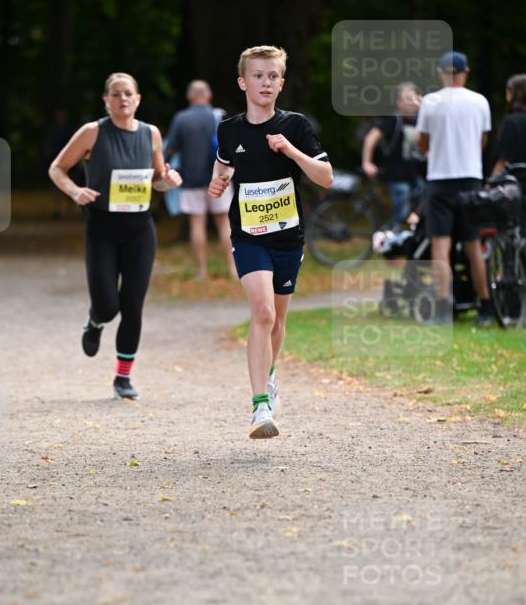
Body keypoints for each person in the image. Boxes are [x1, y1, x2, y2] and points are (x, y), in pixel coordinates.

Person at [208, 45, 333, 439]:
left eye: (273, 76)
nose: (266, 82)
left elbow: (326, 176)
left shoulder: (296, 126)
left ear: (281, 82)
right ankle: (260, 405)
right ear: (243, 82)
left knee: (278, 320)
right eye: (258, 75)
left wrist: (290, 150)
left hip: (288, 238)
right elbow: (225, 162)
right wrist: (218, 180)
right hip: (248, 236)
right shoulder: (229, 129)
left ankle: (271, 372)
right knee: (261, 313)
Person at [48, 72, 181, 399]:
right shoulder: (92, 132)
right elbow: (57, 168)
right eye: (116, 94)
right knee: (108, 306)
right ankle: (95, 322)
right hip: (102, 227)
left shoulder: (151, 134)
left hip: (139, 229)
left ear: (138, 99)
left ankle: (123, 378)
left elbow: (158, 179)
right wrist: (75, 191)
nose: (123, 99)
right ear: (106, 100)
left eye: (129, 94)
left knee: (133, 304)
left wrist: (170, 181)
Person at [415, 51, 494, 327]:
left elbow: (423, 142)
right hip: (470, 177)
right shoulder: (480, 102)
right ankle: (485, 306)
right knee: (473, 244)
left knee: (440, 244)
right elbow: (482, 140)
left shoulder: (430, 102)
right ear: (465, 72)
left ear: (441, 73)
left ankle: (442, 308)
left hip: (440, 179)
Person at [165, 80, 235, 279]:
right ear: (208, 95)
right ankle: (233, 270)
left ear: (189, 97)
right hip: (219, 178)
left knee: (197, 225)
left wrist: (165, 167)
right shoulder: (219, 116)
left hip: (191, 179)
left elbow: (170, 148)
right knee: (225, 225)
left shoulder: (181, 119)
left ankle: (202, 271)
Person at [361, 83, 426, 230]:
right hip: (397, 176)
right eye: (407, 98)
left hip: (414, 175)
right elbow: (370, 138)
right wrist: (367, 162)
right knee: (400, 213)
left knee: (425, 201)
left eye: (413, 98)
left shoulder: (419, 122)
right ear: (398, 103)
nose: (411, 102)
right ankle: (392, 238)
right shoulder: (394, 120)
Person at [491, 73, 526, 175]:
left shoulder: (511, 122)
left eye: (508, 89)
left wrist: (489, 185)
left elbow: (503, 160)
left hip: (516, 184)